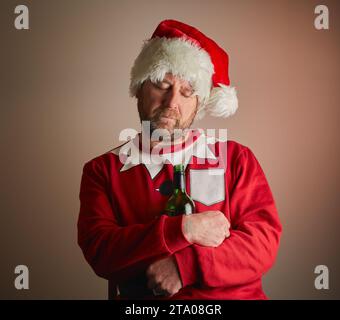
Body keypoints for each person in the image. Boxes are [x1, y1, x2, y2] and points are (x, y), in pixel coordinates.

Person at [77, 19, 282, 300]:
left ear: (199, 103)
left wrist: (185, 266)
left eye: (187, 92)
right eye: (161, 84)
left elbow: (262, 243)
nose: (172, 102)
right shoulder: (102, 171)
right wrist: (182, 229)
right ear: (138, 88)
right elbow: (101, 251)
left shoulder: (237, 159)